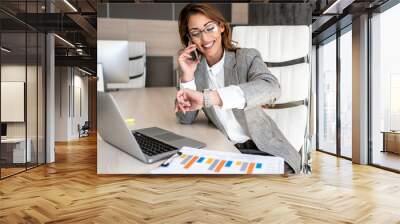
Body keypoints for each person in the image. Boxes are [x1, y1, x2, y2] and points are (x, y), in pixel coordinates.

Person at [174, 3, 301, 173]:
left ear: (221, 27)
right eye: (196, 33)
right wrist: (187, 77)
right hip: (226, 150)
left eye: (209, 28)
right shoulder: (194, 70)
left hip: (263, 148)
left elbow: (272, 88)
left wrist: (213, 98)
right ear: (190, 39)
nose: (204, 39)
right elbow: (185, 119)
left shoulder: (246, 58)